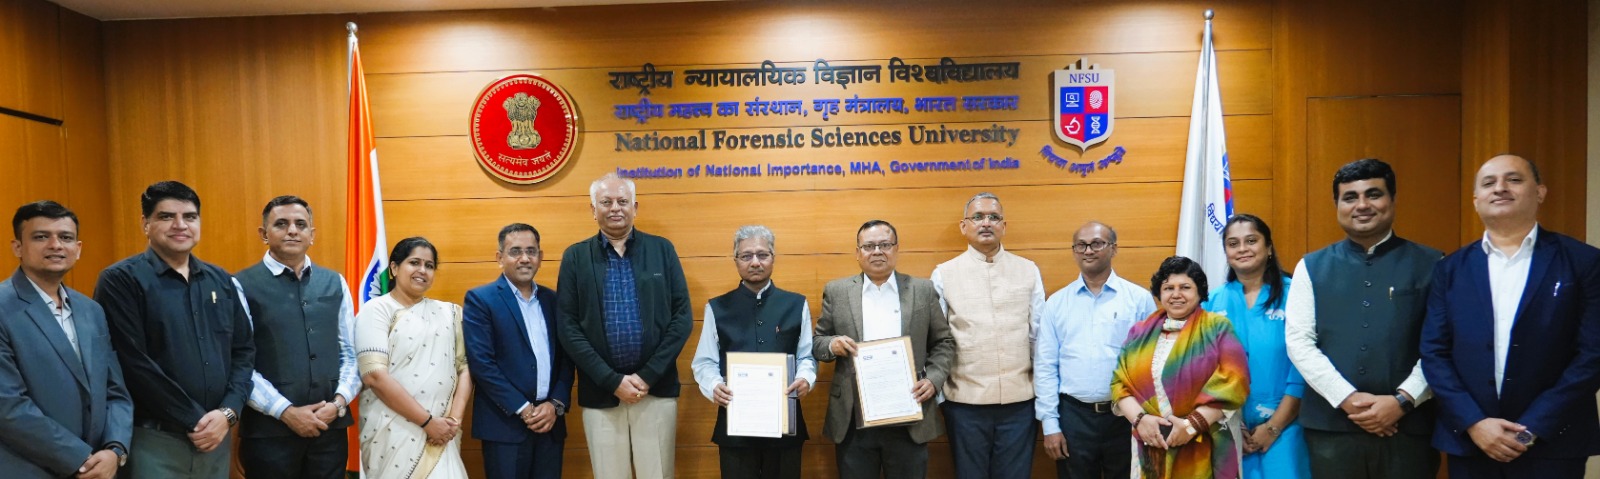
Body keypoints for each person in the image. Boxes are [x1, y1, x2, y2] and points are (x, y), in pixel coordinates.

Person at [1420, 154, 1600, 478]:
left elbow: (1593, 354)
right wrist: (1474, 422)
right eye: (1488, 183)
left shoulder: (1584, 262)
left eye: (1514, 179)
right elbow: (1434, 352)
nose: (1500, 188)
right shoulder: (1449, 269)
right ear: (1476, 200)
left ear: (1540, 192)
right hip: (1472, 441)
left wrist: (1531, 429)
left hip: (1553, 442)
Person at [1285, 158, 1442, 478]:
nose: (1362, 205)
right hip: (1332, 428)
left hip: (1409, 427)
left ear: (1392, 199)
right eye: (1350, 197)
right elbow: (1299, 342)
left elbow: (1442, 345)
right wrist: (1347, 398)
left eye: (1373, 194)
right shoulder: (1311, 266)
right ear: (1337, 205)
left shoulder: (1433, 263)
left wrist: (1403, 400)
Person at [95, 180, 255, 478]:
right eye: (167, 216)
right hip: (155, 440)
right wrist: (196, 419)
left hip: (217, 438)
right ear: (145, 223)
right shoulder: (121, 280)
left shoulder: (221, 280)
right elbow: (132, 362)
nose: (180, 225)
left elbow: (244, 351)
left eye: (190, 217)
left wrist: (228, 413)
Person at [556, 173, 692, 479]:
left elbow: (682, 316)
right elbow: (568, 326)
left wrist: (647, 376)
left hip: (654, 390)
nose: (615, 208)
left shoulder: (662, 250)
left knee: (657, 474)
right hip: (601, 392)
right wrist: (611, 380)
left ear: (635, 207)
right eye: (606, 202)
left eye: (622, 201)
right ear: (593, 210)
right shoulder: (575, 257)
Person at [813, 219, 956, 479]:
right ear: (858, 253)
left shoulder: (922, 290)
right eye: (869, 246)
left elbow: (943, 342)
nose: (877, 251)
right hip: (853, 416)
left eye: (885, 245)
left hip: (908, 413)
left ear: (896, 249)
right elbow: (818, 341)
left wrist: (933, 380)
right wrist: (832, 345)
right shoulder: (837, 291)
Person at [0, 200, 131, 479]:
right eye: (41, 237)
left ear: (78, 248)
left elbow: (115, 391)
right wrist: (81, 458)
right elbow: (7, 406)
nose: (55, 245)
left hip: (100, 467)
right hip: (27, 469)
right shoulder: (3, 307)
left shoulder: (92, 310)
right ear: (17, 247)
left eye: (66, 237)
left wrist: (115, 449)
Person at [236, 195, 359, 479]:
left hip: (329, 429)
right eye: (281, 224)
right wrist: (286, 412)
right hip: (269, 434)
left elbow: (350, 353)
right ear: (264, 234)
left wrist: (338, 404)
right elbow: (240, 362)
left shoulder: (335, 282)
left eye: (300, 224)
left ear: (311, 234)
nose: (292, 230)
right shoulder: (240, 284)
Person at [930, 192, 1044, 479]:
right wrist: (941, 397)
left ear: (1004, 226)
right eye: (978, 217)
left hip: (1020, 402)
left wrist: (1043, 395)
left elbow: (1038, 336)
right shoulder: (944, 274)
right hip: (964, 403)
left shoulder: (1028, 270)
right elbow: (938, 342)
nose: (986, 223)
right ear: (963, 226)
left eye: (994, 217)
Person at [690, 225, 816, 479]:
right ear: (736, 260)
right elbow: (704, 362)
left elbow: (806, 356)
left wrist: (805, 379)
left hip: (784, 424)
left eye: (762, 254)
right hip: (736, 425)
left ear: (773, 258)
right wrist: (714, 386)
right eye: (746, 256)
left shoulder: (796, 304)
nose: (755, 262)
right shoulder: (717, 307)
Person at [1035, 221, 1156, 479]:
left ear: (1114, 248)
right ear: (1074, 251)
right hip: (1073, 417)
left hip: (1126, 415)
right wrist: (1050, 424)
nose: (1088, 250)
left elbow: (1151, 362)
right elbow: (1045, 366)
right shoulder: (1056, 303)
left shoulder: (1138, 299)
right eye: (1081, 245)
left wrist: (1146, 416)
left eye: (1097, 244)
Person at [1112, 256, 1250, 479]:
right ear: (1159, 293)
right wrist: (1140, 420)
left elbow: (1235, 381)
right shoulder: (1139, 333)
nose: (1176, 294)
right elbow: (1119, 384)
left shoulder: (1217, 328)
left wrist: (1192, 425)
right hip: (1151, 443)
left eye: (1185, 287)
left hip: (1206, 443)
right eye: (1168, 288)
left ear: (1199, 292)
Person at [1201, 214, 1310, 479]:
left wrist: (1274, 427)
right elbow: (1205, 369)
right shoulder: (1211, 301)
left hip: (1287, 427)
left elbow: (1304, 366)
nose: (1242, 249)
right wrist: (1232, 424)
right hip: (1229, 428)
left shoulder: (1295, 294)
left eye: (1251, 241)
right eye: (1233, 243)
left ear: (1269, 247)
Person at [355, 237, 472, 479]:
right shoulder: (376, 310)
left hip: (442, 433)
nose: (422, 270)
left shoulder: (449, 313)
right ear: (394, 268)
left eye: (429, 265)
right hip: (391, 430)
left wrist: (453, 421)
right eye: (414, 262)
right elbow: (374, 376)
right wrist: (428, 423)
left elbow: (465, 368)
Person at [464, 223, 573, 479]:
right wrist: (524, 408)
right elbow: (482, 364)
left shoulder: (554, 300)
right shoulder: (481, 300)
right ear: (500, 257)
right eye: (515, 251)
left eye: (531, 251)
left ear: (540, 257)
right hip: (504, 426)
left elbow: (567, 358)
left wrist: (555, 404)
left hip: (550, 424)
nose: (524, 258)